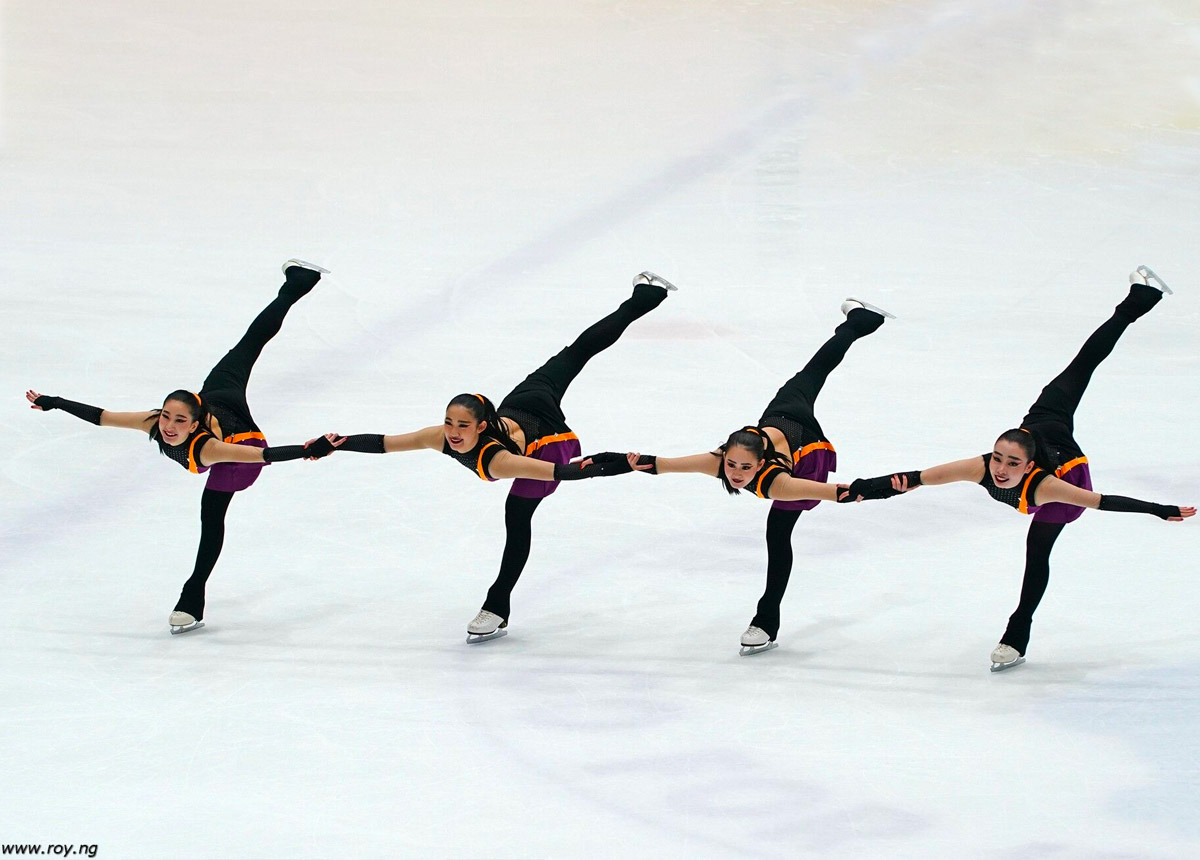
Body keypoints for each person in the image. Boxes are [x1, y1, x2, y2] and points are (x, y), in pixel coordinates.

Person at [841, 267, 1195, 670]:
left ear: (1027, 467)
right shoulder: (980, 467)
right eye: (997, 458)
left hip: (1067, 473)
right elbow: (916, 479)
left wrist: (1158, 509)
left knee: (1036, 555)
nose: (1000, 469)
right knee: (1081, 365)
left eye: (1011, 464)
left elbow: (1102, 501)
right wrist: (865, 488)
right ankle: (1141, 299)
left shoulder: (1047, 488)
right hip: (1045, 421)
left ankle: (1016, 634)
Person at [324, 273, 675, 641]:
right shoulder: (439, 436)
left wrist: (610, 467)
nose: (453, 432)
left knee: (517, 517)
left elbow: (561, 471)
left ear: (480, 426)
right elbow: (385, 443)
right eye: (449, 422)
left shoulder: (497, 461)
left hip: (548, 443)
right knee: (575, 354)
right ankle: (646, 296)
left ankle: (496, 606)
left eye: (462, 425)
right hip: (524, 403)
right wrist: (336, 442)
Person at [26, 260, 339, 634]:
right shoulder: (156, 421)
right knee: (248, 343)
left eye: (178, 421)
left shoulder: (208, 449)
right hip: (219, 397)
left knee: (211, 516)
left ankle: (192, 599)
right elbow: (102, 416)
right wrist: (54, 402)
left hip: (242, 454)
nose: (169, 427)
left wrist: (310, 449)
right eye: (166, 417)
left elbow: (263, 456)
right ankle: (299, 282)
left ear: (194, 423)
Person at [625, 298, 893, 655]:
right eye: (732, 465)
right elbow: (664, 464)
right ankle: (862, 320)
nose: (736, 475)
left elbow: (836, 492)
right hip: (782, 413)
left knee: (777, 533)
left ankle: (765, 622)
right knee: (813, 371)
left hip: (806, 454)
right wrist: (627, 462)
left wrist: (886, 487)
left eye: (745, 469)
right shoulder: (724, 459)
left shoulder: (777, 481)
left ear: (761, 462)